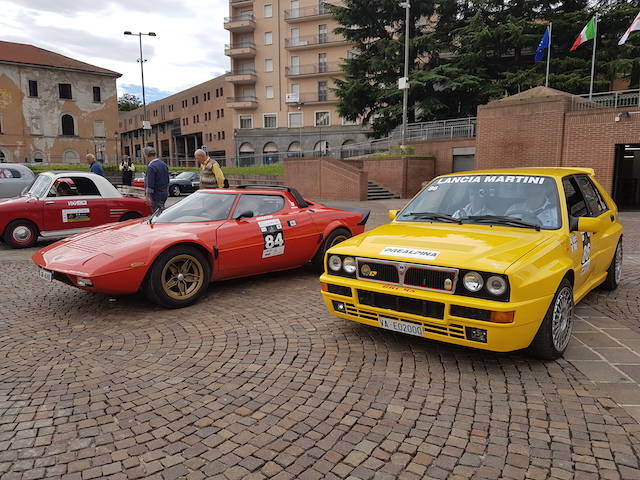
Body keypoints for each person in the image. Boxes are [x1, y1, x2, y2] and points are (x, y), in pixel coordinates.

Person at [143, 146, 169, 212]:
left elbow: (150, 184)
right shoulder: (163, 164)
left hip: (156, 194)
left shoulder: (151, 167)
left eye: (144, 155)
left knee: (156, 214)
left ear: (147, 155)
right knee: (161, 211)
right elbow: (167, 180)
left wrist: (147, 196)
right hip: (164, 193)